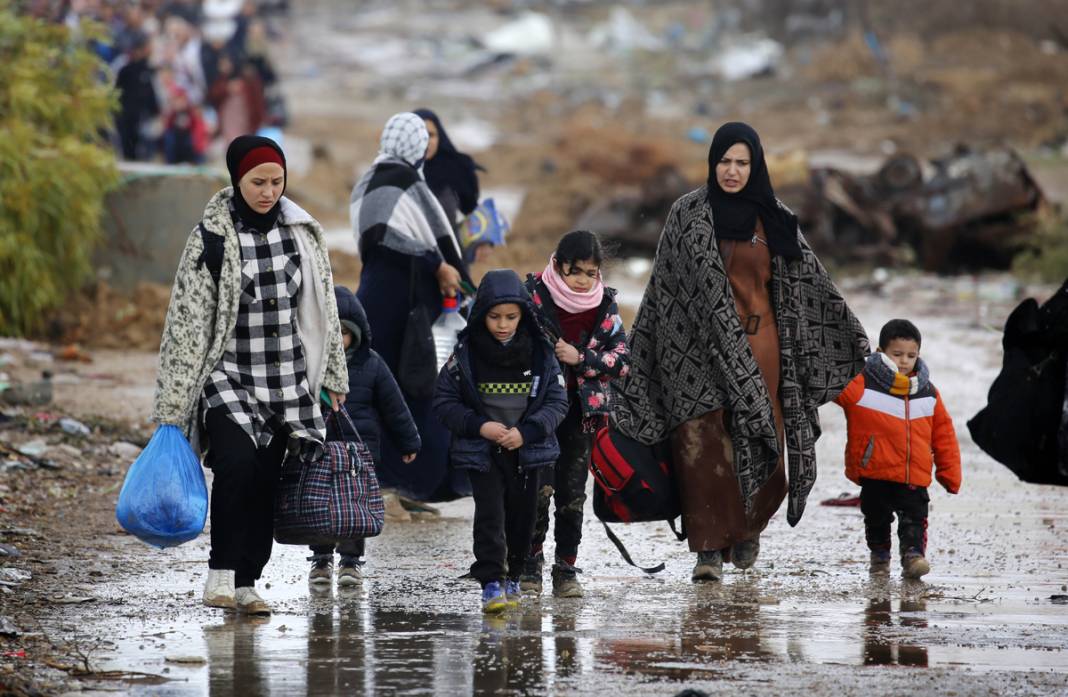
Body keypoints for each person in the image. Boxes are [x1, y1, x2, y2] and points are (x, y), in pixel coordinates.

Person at [611, 122, 869, 582]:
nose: (731, 171)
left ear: (756, 166)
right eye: (724, 162)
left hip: (761, 346)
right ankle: (707, 550)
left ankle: (748, 529)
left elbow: (809, 284)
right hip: (694, 352)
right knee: (700, 445)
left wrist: (844, 336)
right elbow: (662, 289)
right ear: (712, 164)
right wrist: (646, 354)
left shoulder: (775, 218)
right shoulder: (687, 215)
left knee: (757, 435)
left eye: (741, 163)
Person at [152, 135, 349, 614]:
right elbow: (187, 321)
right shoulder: (212, 238)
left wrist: (332, 377)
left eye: (276, 182)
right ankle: (220, 571)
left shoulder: (303, 234)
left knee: (265, 479)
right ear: (236, 180)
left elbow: (325, 308)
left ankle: (247, 582)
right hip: (230, 375)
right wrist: (172, 407)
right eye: (257, 182)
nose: (267, 191)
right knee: (236, 466)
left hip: (285, 379)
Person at [432, 270, 568, 613]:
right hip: (484, 453)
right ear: (481, 315)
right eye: (494, 317)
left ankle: (515, 576)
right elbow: (444, 401)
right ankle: (492, 582)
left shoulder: (540, 354)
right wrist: (481, 427)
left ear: (523, 315)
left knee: (523, 519)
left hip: (527, 452)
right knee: (490, 517)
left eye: (511, 317)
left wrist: (528, 432)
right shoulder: (465, 356)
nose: (503, 325)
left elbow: (557, 402)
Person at [350, 112, 468, 502]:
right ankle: (419, 483)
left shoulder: (368, 179)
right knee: (418, 387)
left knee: (386, 389)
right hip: (410, 303)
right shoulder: (401, 179)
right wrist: (439, 264)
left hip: (378, 298)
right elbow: (390, 234)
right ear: (416, 146)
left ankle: (391, 480)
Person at [518, 230, 630, 597]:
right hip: (537, 414)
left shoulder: (604, 306)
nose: (582, 281)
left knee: (571, 495)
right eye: (574, 271)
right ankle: (529, 565)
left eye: (590, 273)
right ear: (557, 265)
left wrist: (582, 359)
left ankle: (566, 569)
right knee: (537, 490)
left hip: (581, 416)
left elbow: (623, 361)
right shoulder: (532, 299)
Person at [307, 286, 421, 586]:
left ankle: (350, 561)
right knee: (319, 504)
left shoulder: (372, 365)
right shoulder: (311, 367)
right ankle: (320, 558)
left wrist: (408, 441)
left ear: (356, 334)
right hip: (319, 451)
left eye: (344, 333)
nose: (338, 340)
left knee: (354, 507)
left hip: (359, 455)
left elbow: (394, 407)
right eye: (332, 331)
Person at [834, 319, 961, 579]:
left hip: (913, 474)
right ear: (880, 354)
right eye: (897, 354)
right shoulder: (862, 384)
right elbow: (830, 386)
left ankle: (913, 556)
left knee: (914, 519)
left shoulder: (927, 392)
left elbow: (944, 435)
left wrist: (950, 474)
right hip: (875, 472)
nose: (904, 361)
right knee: (876, 520)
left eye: (911, 355)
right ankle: (880, 559)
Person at [413, 108, 489, 266]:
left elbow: (472, 210)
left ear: (440, 135)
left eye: (431, 135)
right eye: (420, 134)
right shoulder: (401, 173)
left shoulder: (455, 168)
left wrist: (484, 240)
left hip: (451, 259)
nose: (426, 141)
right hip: (411, 260)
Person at [113, 31, 159, 161]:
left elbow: (151, 95)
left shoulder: (148, 70)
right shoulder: (125, 70)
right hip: (127, 116)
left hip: (143, 117)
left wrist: (155, 111)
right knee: (128, 149)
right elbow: (118, 92)